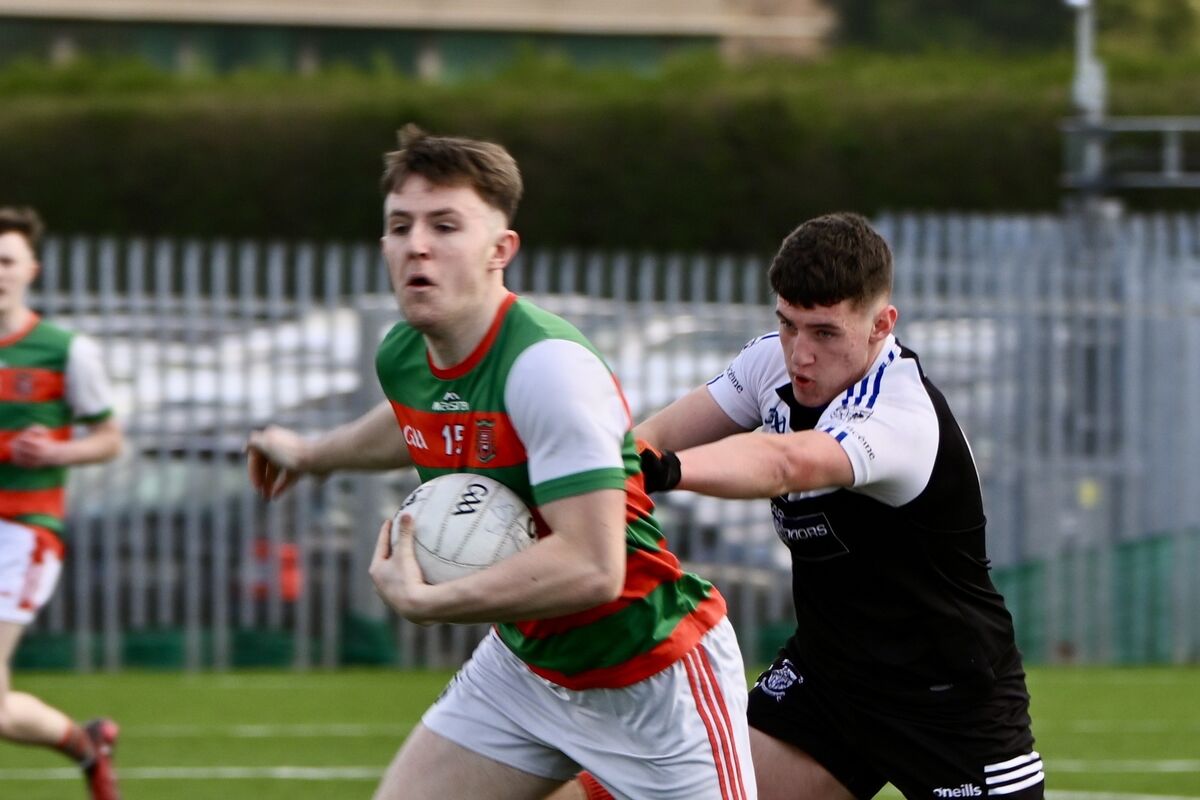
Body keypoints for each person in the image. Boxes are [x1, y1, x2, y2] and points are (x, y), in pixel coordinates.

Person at [245, 125, 756, 800]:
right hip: (524, 671)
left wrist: (433, 602)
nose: (417, 244)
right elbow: (418, 420)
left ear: (500, 250)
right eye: (400, 226)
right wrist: (313, 455)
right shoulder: (405, 354)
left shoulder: (548, 369)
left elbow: (593, 566)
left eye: (445, 225)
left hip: (651, 673)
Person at [553, 212, 1043, 800]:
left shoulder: (901, 411)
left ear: (881, 325)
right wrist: (579, 485)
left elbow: (787, 463)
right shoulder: (770, 363)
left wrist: (667, 470)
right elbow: (653, 437)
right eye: (787, 325)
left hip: (949, 701)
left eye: (825, 333)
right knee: (649, 790)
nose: (800, 355)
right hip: (827, 684)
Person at [0, 206, 124, 800]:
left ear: (32, 270)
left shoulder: (64, 350)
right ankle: (88, 744)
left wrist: (55, 451)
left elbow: (109, 439)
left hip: (23, 533)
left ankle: (88, 745)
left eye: (6, 261)